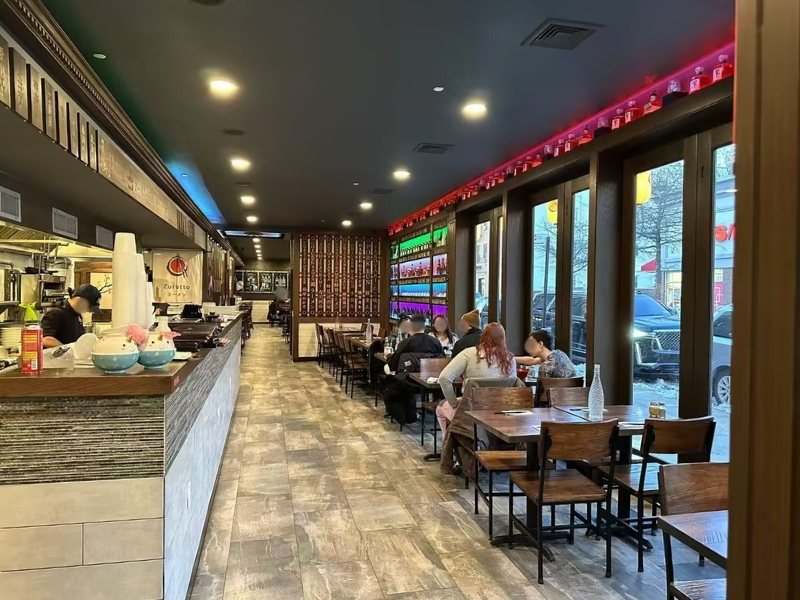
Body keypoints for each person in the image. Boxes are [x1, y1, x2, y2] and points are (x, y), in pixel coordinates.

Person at [436, 323, 517, 436]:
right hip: (502, 412)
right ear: (503, 338)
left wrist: (454, 404)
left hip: (472, 410)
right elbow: (513, 385)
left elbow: (444, 378)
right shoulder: (510, 358)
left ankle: (450, 442)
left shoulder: (469, 353)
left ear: (483, 336)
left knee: (440, 407)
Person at [382, 315, 444, 425]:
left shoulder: (405, 343)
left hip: (408, 383)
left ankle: (405, 414)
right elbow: (443, 362)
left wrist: (389, 357)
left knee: (389, 379)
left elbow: (393, 365)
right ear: (425, 327)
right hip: (431, 382)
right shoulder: (435, 342)